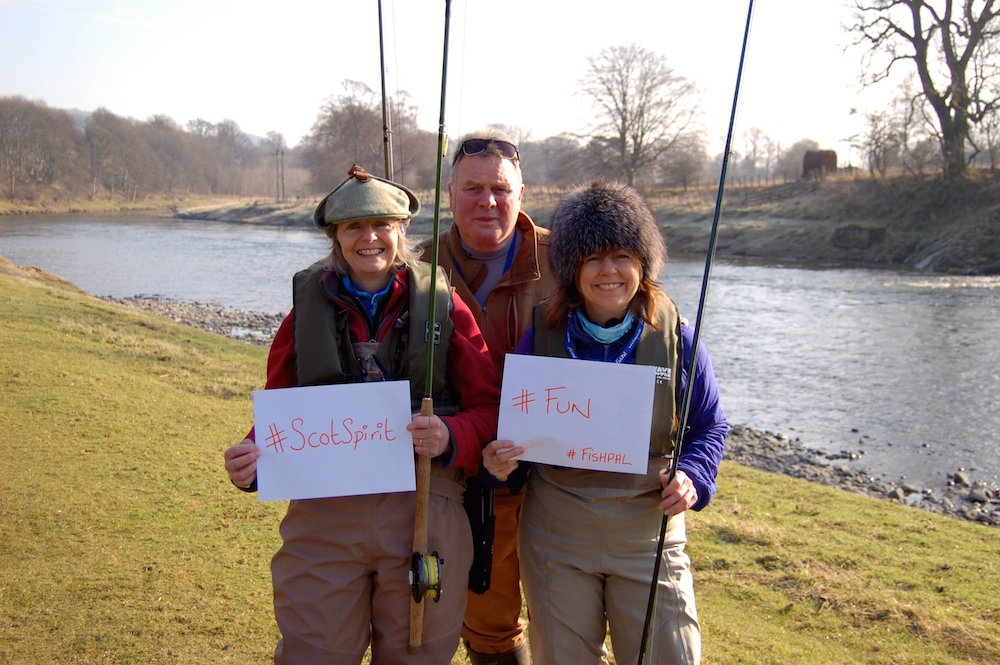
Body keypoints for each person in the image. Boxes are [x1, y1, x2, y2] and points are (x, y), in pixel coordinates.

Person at [223, 164, 500, 665]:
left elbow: (490, 409)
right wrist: (251, 457)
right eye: (354, 226)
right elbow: (279, 410)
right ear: (335, 236)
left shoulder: (447, 308)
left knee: (417, 654)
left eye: (382, 225)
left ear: (402, 231)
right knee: (314, 654)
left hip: (425, 505)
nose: (369, 238)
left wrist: (450, 434)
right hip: (325, 513)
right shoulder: (302, 316)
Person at [483, 179, 727, 665]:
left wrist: (693, 477)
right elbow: (513, 436)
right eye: (593, 258)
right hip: (557, 533)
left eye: (622, 256)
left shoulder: (679, 340)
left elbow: (709, 427)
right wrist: (501, 460)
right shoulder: (539, 337)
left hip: (648, 530)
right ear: (572, 269)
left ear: (643, 264)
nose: (608, 271)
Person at [418, 131, 557, 665]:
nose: (488, 201)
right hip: (464, 473)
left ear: (522, 193)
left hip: (557, 475)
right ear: (450, 194)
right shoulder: (418, 265)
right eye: (473, 188)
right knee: (488, 620)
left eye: (500, 188)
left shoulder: (568, 260)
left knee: (565, 612)